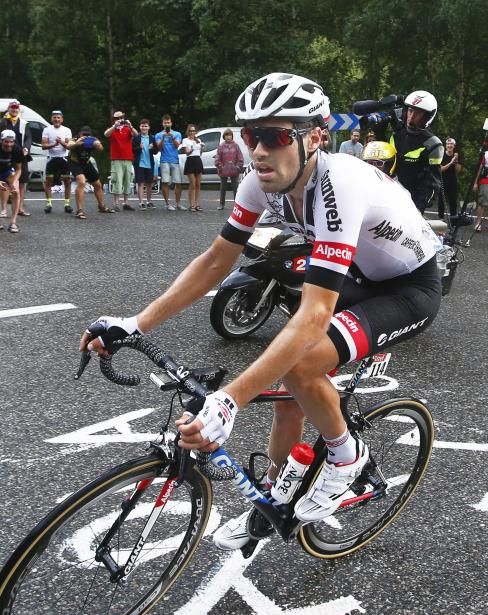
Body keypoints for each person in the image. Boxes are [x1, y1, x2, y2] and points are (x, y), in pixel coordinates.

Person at [80, 72, 442, 550]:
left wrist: (228, 401)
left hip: (409, 286)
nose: (258, 151)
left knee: (302, 360)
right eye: (251, 136)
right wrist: (134, 323)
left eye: (274, 136)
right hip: (359, 273)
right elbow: (215, 260)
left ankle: (346, 456)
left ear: (314, 137)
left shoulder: (341, 183)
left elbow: (314, 315)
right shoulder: (260, 181)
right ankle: (274, 499)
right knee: (291, 391)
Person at [389, 91, 444, 214]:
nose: (411, 116)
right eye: (410, 111)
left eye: (417, 113)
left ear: (427, 117)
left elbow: (432, 184)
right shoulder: (397, 133)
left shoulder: (433, 144)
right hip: (387, 195)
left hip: (410, 204)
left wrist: (417, 210)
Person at [0, 129, 26, 232]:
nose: (9, 144)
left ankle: (13, 222)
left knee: (16, 191)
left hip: (7, 171)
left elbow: (19, 169)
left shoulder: (16, 149)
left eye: (11, 142)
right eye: (6, 141)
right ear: (2, 140)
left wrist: (14, 182)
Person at [66, 126, 111, 219]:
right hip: (74, 162)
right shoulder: (74, 140)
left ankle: (101, 206)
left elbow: (101, 149)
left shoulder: (92, 140)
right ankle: (79, 210)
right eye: (83, 134)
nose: (85, 136)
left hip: (86, 162)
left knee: (98, 184)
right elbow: (68, 146)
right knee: (81, 181)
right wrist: (77, 144)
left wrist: (97, 144)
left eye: (87, 135)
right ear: (79, 134)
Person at [0, 100, 31, 218]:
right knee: (5, 183)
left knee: (22, 182)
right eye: (12, 107)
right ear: (9, 109)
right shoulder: (2, 123)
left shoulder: (24, 123)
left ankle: (20, 208)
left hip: (20, 155)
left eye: (16, 108)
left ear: (19, 109)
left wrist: (26, 148)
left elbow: (28, 138)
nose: (14, 110)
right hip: (6, 156)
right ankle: (4, 210)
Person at [41, 110, 73, 214]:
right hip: (51, 158)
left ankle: (67, 204)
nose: (56, 119)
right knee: (49, 181)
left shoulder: (67, 130)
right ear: (51, 119)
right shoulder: (47, 129)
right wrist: (54, 144)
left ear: (62, 119)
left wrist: (61, 142)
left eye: (58, 117)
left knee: (67, 181)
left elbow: (69, 146)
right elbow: (43, 146)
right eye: (54, 117)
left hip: (63, 158)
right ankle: (49, 204)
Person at [104, 110, 136, 212]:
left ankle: (126, 203)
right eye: (117, 118)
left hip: (127, 158)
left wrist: (130, 126)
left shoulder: (128, 129)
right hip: (116, 159)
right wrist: (114, 126)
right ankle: (116, 203)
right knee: (117, 180)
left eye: (121, 118)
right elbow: (106, 134)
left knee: (127, 180)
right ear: (114, 120)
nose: (120, 120)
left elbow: (136, 134)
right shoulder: (112, 130)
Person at [155, 115, 183, 210]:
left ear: (171, 123)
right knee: (165, 182)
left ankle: (177, 203)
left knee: (178, 182)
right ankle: (167, 204)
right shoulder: (158, 135)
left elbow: (177, 146)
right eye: (165, 123)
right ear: (162, 124)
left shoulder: (177, 133)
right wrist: (163, 138)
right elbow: (159, 148)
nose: (167, 124)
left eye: (168, 122)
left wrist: (172, 137)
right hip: (164, 160)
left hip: (174, 160)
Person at [215, 128, 244, 210]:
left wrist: (238, 167)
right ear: (224, 137)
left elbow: (240, 158)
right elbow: (217, 158)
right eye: (227, 135)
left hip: (234, 170)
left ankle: (237, 204)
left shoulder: (236, 146)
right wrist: (220, 166)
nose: (228, 137)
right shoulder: (221, 146)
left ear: (232, 136)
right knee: (223, 188)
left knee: (235, 188)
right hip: (223, 170)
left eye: (230, 135)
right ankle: (221, 204)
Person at [132, 119, 158, 209]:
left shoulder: (152, 138)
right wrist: (139, 147)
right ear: (140, 127)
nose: (144, 128)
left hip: (149, 163)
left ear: (149, 127)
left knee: (149, 183)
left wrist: (152, 148)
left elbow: (156, 152)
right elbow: (133, 150)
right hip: (139, 163)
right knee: (140, 183)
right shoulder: (136, 138)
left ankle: (149, 201)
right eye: (142, 126)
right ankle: (141, 202)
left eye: (146, 126)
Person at [181, 124, 205, 211]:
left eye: (193, 131)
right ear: (188, 131)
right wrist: (192, 148)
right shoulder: (185, 140)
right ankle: (191, 205)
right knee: (193, 183)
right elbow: (187, 152)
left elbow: (200, 153)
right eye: (190, 131)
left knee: (198, 184)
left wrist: (201, 147)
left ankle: (197, 204)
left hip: (198, 160)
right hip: (190, 161)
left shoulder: (198, 140)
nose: (192, 132)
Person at [438, 137, 461, 218]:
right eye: (448, 144)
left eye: (451, 144)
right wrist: (451, 162)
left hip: (452, 181)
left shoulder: (456, 156)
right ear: (445, 146)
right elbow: (441, 170)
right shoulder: (441, 155)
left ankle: (453, 219)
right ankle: (441, 220)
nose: (449, 145)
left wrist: (456, 160)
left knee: (453, 201)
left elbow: (458, 171)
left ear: (454, 146)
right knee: (441, 202)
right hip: (442, 181)